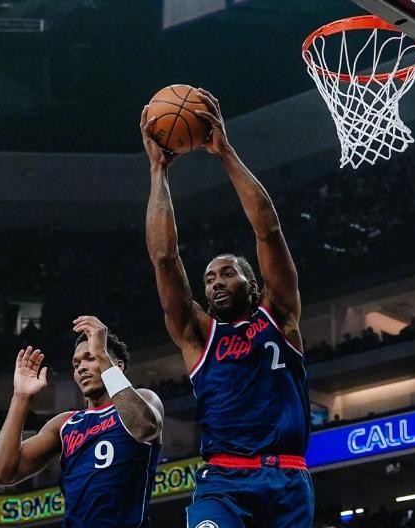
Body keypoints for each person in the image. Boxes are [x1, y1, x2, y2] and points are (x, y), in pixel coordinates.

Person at [142, 88, 313, 528]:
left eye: (227, 273)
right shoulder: (197, 334)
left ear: (252, 284)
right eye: (209, 278)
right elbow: (164, 258)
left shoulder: (280, 315)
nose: (216, 281)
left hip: (289, 478)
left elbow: (268, 231)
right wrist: (158, 170)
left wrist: (225, 152)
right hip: (224, 480)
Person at [0, 315, 164, 528]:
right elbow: (2, 473)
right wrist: (21, 396)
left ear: (117, 365)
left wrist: (102, 353)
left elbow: (145, 427)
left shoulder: (144, 400)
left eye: (90, 358)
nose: (81, 367)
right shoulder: (64, 424)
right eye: (76, 363)